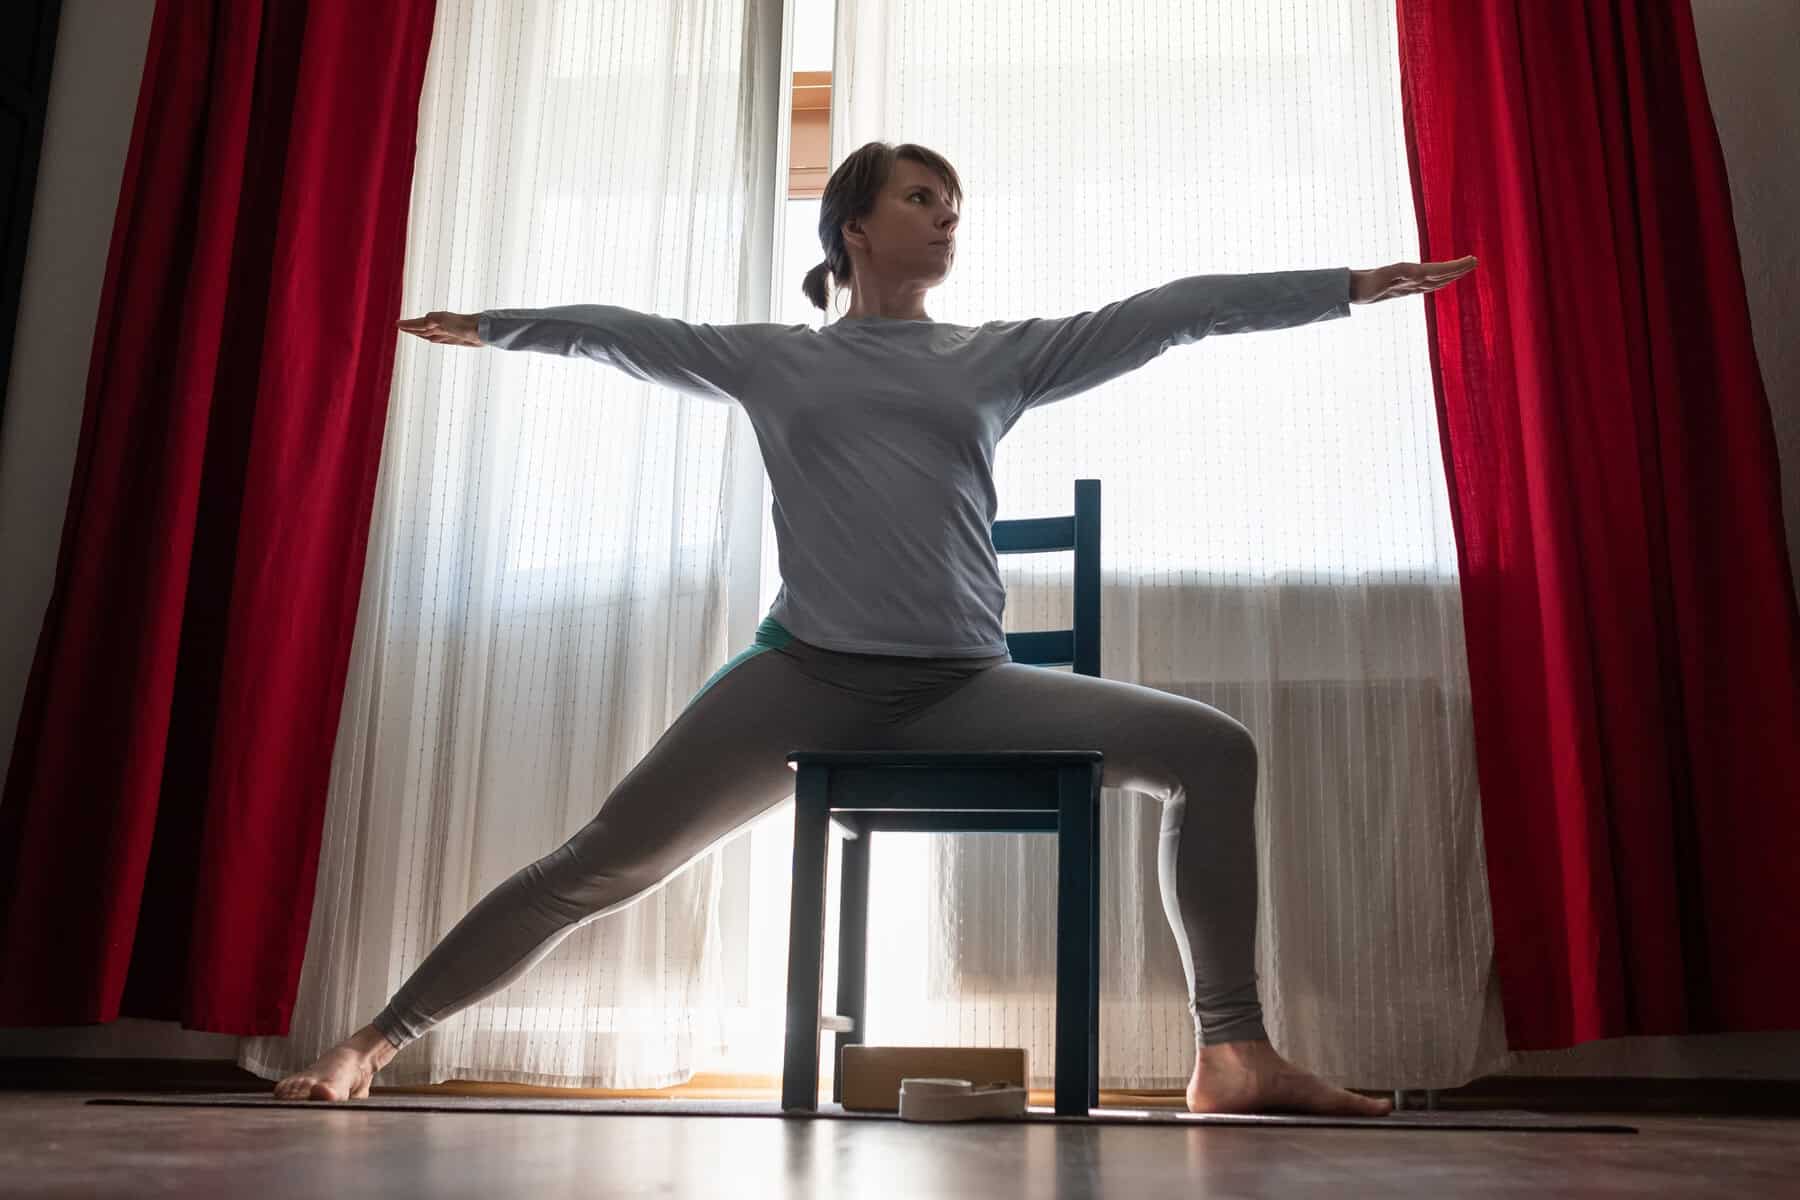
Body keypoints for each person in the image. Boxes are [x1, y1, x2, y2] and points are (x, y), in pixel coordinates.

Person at [277, 140, 1476, 1114]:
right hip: (800, 680)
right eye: (923, 200)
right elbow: (622, 333)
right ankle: (370, 1044)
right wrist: (495, 325)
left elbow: (1174, 312)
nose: (949, 221)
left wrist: (1345, 289)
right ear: (855, 225)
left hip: (967, 684)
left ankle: (1234, 1056)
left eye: (956, 206)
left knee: (1214, 748)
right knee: (599, 862)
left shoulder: (1002, 358)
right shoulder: (776, 363)